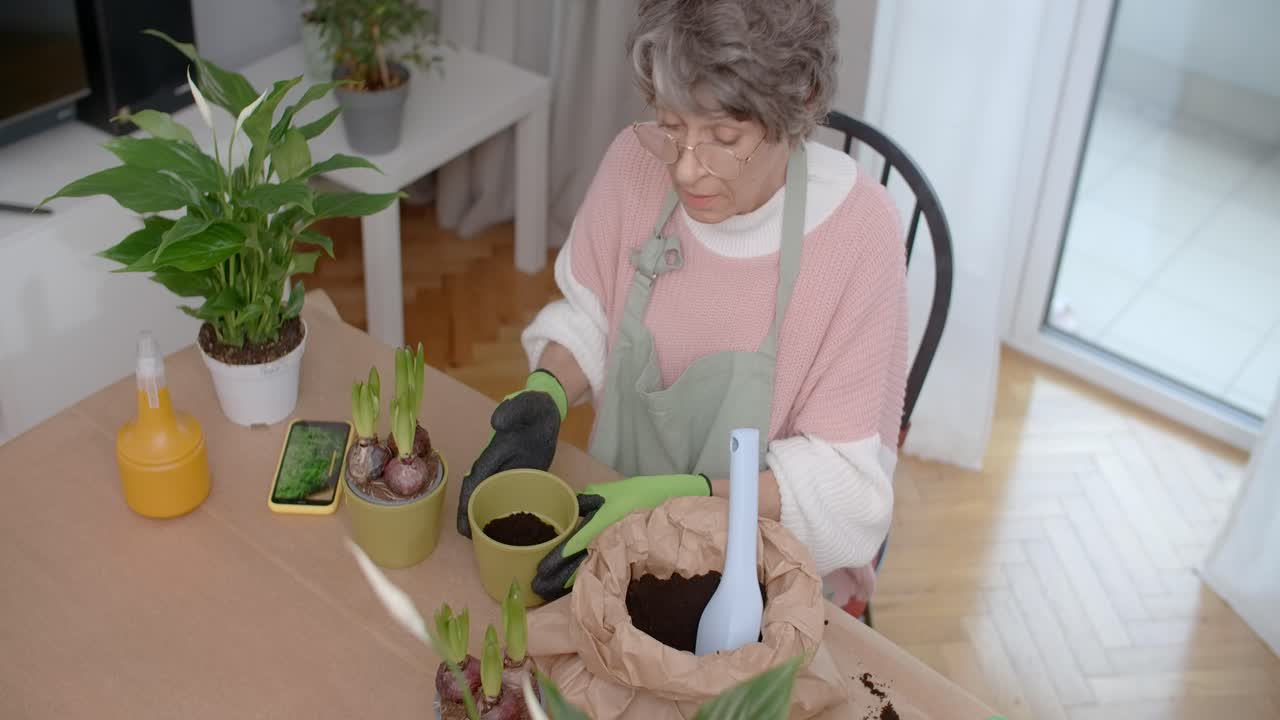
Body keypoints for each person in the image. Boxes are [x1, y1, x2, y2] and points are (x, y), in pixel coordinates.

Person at [457, 0, 907, 616]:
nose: (685, 168)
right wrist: (546, 394)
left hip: (763, 579)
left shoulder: (859, 235)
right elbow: (593, 314)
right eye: (670, 124)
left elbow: (845, 494)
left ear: (800, 104)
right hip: (613, 536)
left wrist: (685, 499)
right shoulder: (634, 163)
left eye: (723, 138)